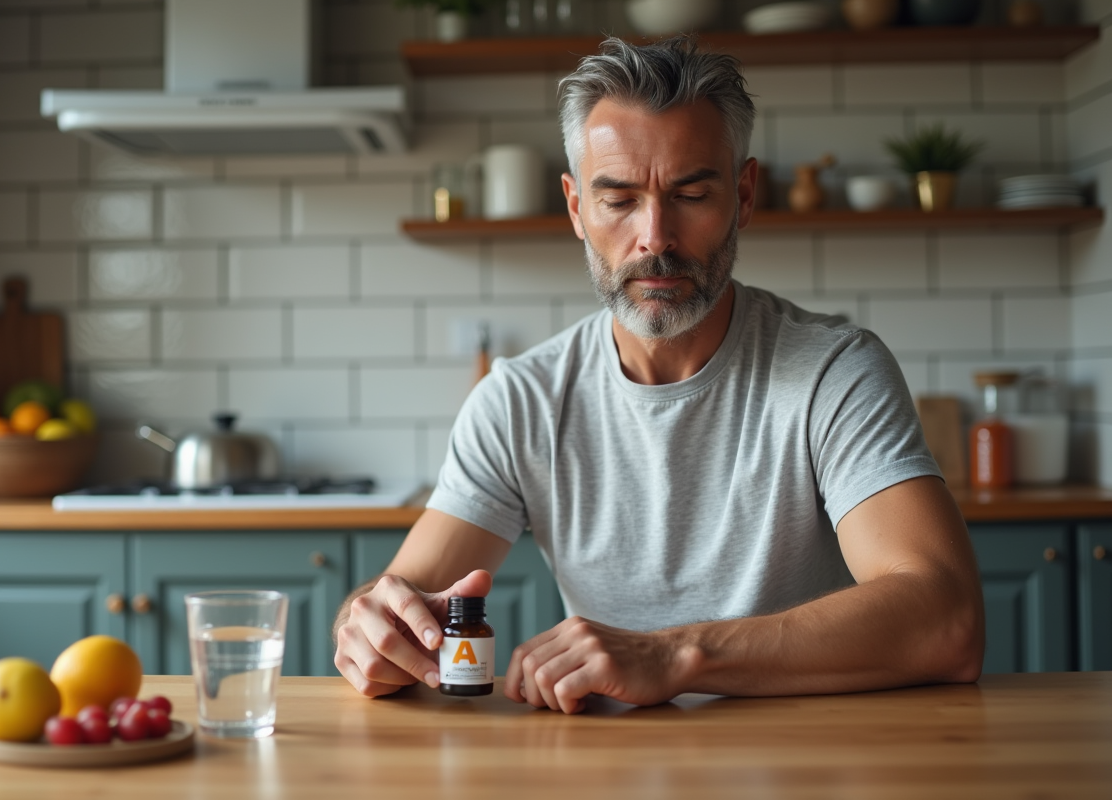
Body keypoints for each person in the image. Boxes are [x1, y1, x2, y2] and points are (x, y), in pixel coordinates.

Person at [332, 35, 984, 714]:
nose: (656, 238)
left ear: (744, 194)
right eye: (617, 200)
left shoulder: (834, 372)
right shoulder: (519, 401)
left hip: (803, 765)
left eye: (692, 193)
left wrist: (677, 654)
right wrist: (367, 625)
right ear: (576, 209)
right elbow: (402, 599)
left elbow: (947, 620)